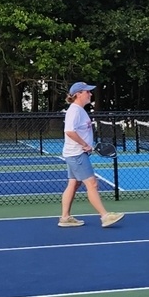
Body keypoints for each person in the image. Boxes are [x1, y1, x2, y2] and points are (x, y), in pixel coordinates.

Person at [59, 82, 124, 228]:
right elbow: (69, 131)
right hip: (77, 154)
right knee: (92, 184)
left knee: (74, 184)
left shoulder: (80, 110)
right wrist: (84, 144)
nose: (90, 94)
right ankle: (105, 216)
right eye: (87, 92)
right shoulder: (74, 110)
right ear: (78, 94)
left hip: (75, 153)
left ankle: (65, 217)